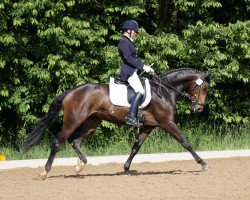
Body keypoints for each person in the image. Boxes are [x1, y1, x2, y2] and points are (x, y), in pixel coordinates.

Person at [118, 20, 154, 127]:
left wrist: (145, 68)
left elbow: (134, 59)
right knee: (140, 91)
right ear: (129, 31)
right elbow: (128, 58)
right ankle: (131, 117)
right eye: (134, 31)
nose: (135, 34)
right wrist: (143, 67)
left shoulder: (129, 42)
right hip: (128, 72)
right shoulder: (123, 42)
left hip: (133, 71)